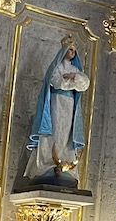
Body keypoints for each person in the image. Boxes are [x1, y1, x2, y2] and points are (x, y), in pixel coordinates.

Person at [25, 38, 90, 188]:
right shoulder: (56, 66)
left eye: (74, 50)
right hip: (55, 101)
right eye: (70, 49)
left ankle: (64, 162)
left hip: (69, 103)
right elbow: (55, 81)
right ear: (64, 50)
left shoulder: (74, 69)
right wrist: (69, 83)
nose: (72, 53)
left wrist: (73, 77)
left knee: (66, 132)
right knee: (54, 130)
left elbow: (84, 84)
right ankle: (48, 162)